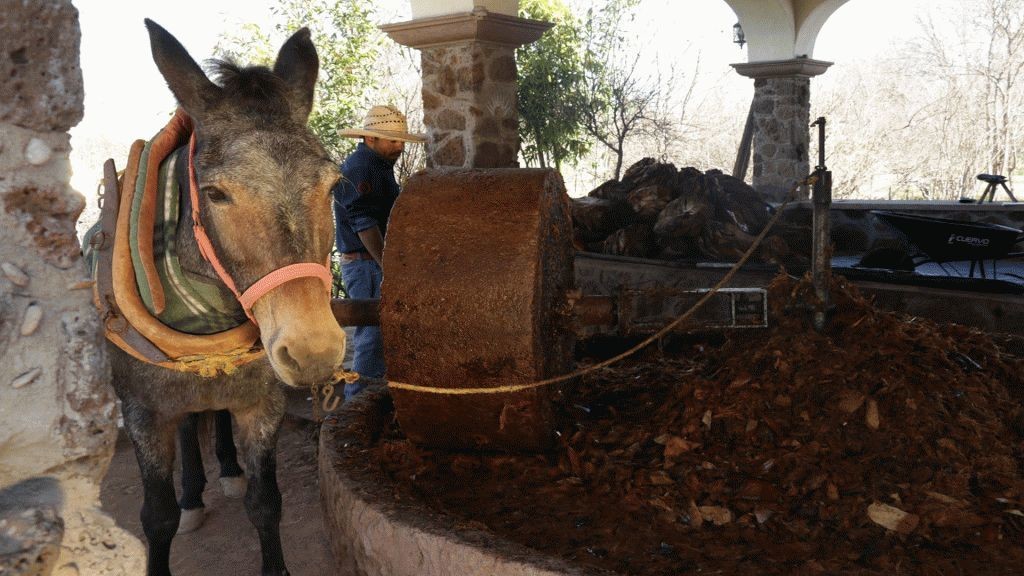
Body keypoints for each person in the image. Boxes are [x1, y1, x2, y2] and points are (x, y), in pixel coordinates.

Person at [332, 105, 425, 400]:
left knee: (380, 338)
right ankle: (355, 409)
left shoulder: (378, 166)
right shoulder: (362, 167)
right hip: (366, 265)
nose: (399, 147)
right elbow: (364, 223)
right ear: (371, 139)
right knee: (372, 339)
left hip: (370, 263)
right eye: (393, 141)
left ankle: (371, 402)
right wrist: (387, 264)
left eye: (401, 141)